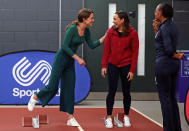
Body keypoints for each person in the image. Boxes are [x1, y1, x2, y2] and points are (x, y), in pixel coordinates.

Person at [27, 8, 105, 127]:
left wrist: (106, 36)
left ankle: (70, 117)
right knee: (52, 86)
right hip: (61, 59)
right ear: (84, 19)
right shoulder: (73, 29)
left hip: (70, 62)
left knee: (69, 89)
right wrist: (77, 58)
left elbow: (92, 45)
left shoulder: (87, 31)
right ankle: (35, 97)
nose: (93, 20)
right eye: (91, 18)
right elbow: (64, 46)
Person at [101, 11, 139, 128]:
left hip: (126, 66)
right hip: (112, 65)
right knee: (111, 92)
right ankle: (108, 117)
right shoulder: (110, 32)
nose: (113, 21)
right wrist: (104, 66)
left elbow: (135, 53)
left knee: (126, 92)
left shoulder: (132, 33)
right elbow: (106, 49)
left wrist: (132, 70)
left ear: (122, 20)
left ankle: (126, 116)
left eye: (115, 19)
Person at [153, 3, 183, 131]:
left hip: (164, 64)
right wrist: (156, 30)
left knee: (164, 100)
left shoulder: (164, 28)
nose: (155, 13)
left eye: (156, 11)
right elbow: (164, 42)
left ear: (161, 13)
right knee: (171, 98)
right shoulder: (172, 26)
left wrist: (174, 54)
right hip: (173, 66)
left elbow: (169, 49)